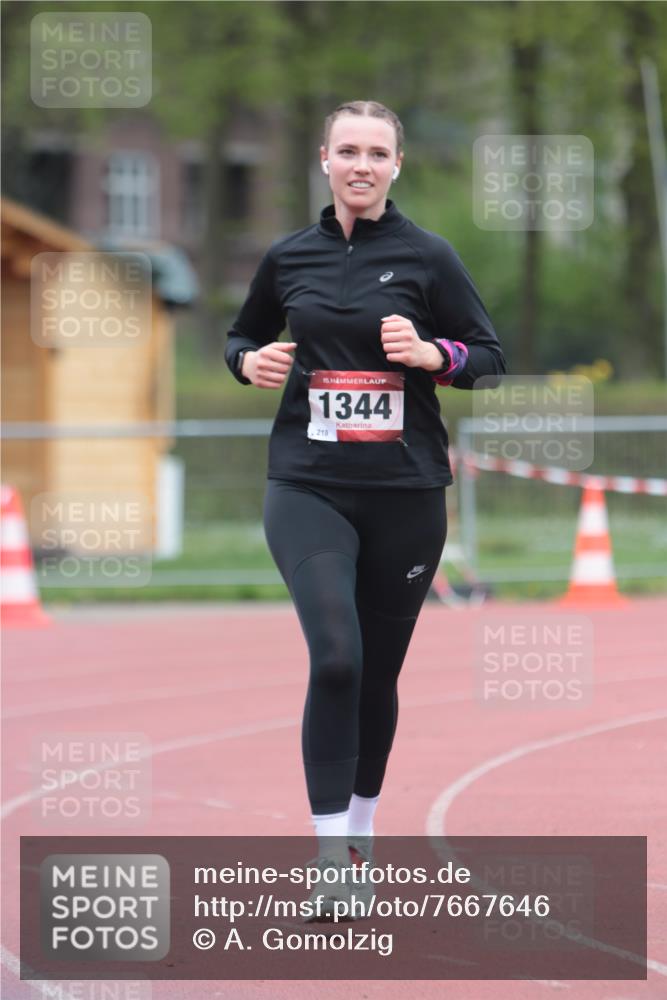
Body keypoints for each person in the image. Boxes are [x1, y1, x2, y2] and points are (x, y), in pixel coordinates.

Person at [225, 100, 506, 920]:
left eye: (375, 153)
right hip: (306, 484)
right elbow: (240, 335)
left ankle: (361, 841)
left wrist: (434, 355)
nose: (361, 165)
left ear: (395, 165)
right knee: (337, 657)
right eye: (346, 150)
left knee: (376, 673)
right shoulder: (288, 257)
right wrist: (251, 364)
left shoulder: (429, 256)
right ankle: (328, 862)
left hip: (406, 492)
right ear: (323, 159)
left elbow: (488, 357)